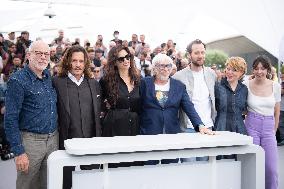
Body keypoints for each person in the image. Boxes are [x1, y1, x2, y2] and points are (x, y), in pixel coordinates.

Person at [140, 53, 214, 164]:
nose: (165, 69)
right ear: (154, 68)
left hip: (172, 135)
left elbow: (189, 107)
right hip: (149, 135)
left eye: (168, 66)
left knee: (171, 170)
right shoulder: (144, 83)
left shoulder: (178, 86)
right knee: (149, 169)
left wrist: (200, 125)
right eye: (161, 66)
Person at [4, 40, 58, 189]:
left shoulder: (48, 76)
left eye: (46, 54)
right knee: (27, 184)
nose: (42, 57)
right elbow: (10, 118)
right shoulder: (17, 81)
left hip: (53, 140)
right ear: (28, 55)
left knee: (49, 183)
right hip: (31, 143)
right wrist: (19, 151)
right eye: (38, 53)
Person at [53, 45, 101, 189]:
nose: (78, 65)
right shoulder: (57, 82)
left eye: (81, 61)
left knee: (90, 182)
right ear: (68, 61)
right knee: (65, 182)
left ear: (86, 62)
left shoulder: (93, 84)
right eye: (74, 61)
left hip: (90, 143)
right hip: (66, 143)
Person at [244, 55, 281, 189]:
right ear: (253, 70)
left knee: (271, 169)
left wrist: (274, 129)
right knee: (252, 165)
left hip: (269, 127)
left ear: (268, 70)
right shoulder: (246, 84)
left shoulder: (275, 86)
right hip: (251, 125)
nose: (259, 71)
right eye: (256, 68)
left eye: (262, 68)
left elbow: (277, 111)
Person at [172, 40, 216, 132]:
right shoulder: (178, 77)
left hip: (209, 126)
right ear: (189, 55)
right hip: (188, 128)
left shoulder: (212, 74)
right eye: (196, 53)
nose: (200, 56)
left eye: (202, 52)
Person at [100, 45, 141, 137]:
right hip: (114, 126)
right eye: (121, 59)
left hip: (135, 126)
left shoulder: (138, 79)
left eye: (127, 57)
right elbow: (99, 102)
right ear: (114, 62)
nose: (126, 61)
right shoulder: (106, 81)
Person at [214, 57, 248, 134]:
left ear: (241, 73)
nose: (229, 72)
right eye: (228, 69)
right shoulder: (218, 87)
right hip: (221, 129)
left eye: (234, 70)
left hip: (239, 130)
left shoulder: (244, 89)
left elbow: (245, 110)